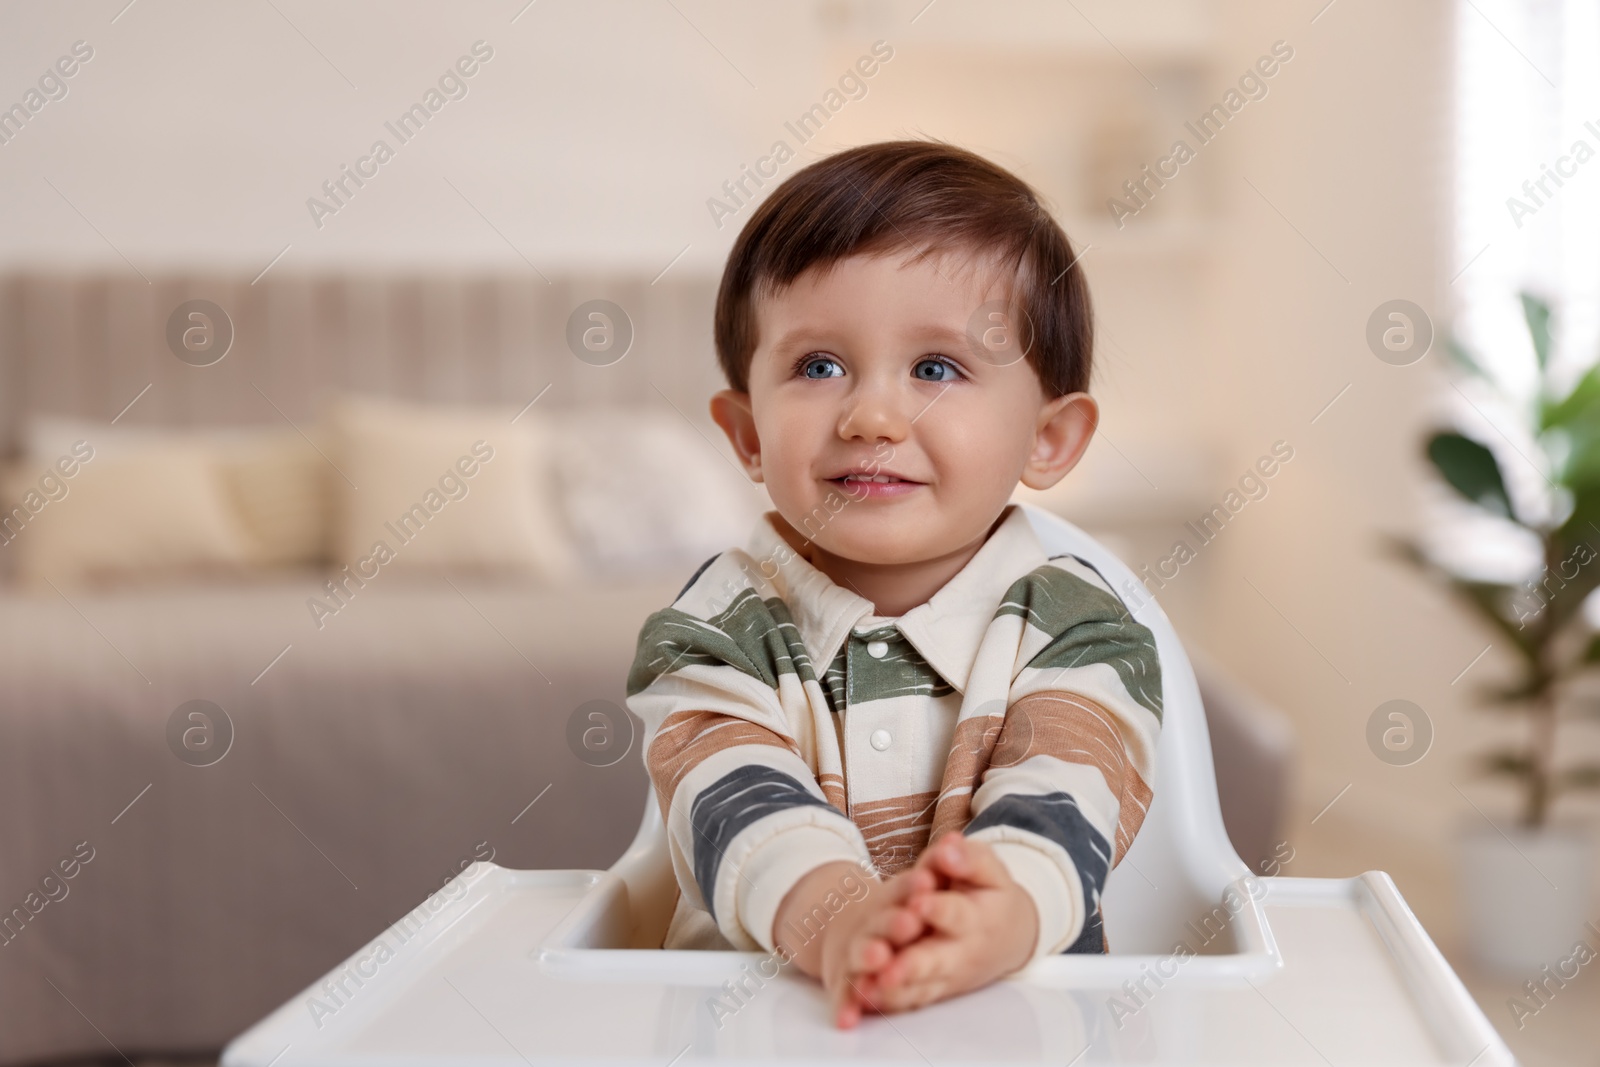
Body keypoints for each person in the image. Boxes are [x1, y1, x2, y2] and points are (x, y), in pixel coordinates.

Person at [624, 139, 1162, 1028]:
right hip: (764, 1024)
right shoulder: (716, 624)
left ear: (1049, 437)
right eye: (818, 366)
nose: (871, 414)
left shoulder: (1080, 623)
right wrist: (839, 919)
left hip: (1009, 1024)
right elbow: (730, 793)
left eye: (936, 368)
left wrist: (999, 909)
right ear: (747, 433)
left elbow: (1068, 782)